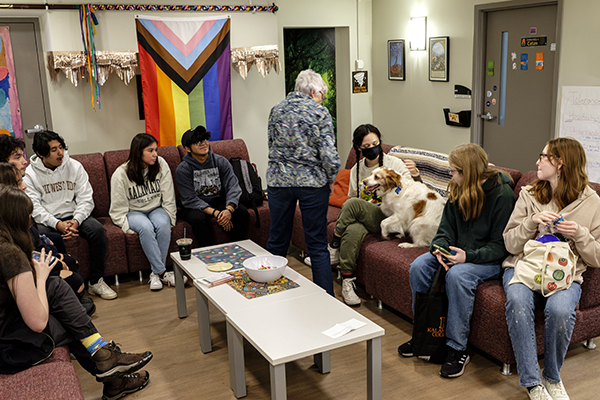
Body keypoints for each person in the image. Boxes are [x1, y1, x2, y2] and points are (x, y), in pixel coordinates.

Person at [0, 185, 152, 399]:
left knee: (57, 290)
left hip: (8, 325)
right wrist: (41, 278)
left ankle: (107, 360)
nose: (31, 222)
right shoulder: (10, 255)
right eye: (28, 216)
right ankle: (110, 368)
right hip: (9, 346)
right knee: (70, 319)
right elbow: (38, 322)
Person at [398, 143, 516, 379]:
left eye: (453, 171)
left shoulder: (503, 196)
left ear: (467, 172)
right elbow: (445, 229)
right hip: (456, 252)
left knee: (458, 275)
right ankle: (424, 334)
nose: (450, 175)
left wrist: (467, 257)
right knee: (419, 267)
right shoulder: (458, 189)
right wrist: (440, 249)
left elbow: (500, 246)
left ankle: (456, 348)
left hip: (487, 259)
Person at [502, 137, 600, 400]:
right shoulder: (529, 194)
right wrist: (530, 223)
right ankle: (533, 383)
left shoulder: (592, 203)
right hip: (523, 267)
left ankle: (552, 377)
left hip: (564, 274)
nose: (537, 162)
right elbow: (510, 244)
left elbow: (597, 258)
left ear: (560, 163)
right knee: (517, 301)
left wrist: (580, 234)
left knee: (559, 310)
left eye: (543, 156)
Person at [305, 124, 421, 305]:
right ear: (358, 148)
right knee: (352, 230)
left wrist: (415, 174)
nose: (372, 148)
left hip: (390, 218)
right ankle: (347, 282)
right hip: (367, 216)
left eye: (375, 143)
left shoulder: (393, 164)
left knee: (352, 205)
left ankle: (333, 246)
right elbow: (354, 197)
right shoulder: (356, 170)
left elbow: (410, 189)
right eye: (366, 147)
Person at [266, 69, 341, 296]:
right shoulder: (320, 113)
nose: (322, 99)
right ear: (312, 91)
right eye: (322, 95)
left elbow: (271, 144)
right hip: (311, 183)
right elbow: (329, 155)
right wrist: (330, 178)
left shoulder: (276, 110)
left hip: (279, 181)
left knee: (277, 240)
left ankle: (270, 295)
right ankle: (325, 302)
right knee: (317, 245)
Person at [23, 130, 117, 300]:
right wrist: (57, 224)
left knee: (97, 231)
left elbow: (86, 198)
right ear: (40, 153)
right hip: (49, 219)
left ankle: (96, 281)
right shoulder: (30, 174)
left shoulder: (74, 166)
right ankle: (64, 288)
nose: (60, 153)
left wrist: (76, 220)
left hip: (75, 215)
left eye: (61, 147)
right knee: (45, 237)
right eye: (53, 150)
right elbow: (34, 208)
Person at [0, 163, 95, 315]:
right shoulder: (10, 222)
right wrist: (56, 263)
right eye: (19, 183)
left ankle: (73, 306)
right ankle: (66, 309)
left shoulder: (15, 210)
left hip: (34, 263)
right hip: (30, 275)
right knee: (74, 281)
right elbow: (27, 255)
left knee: (69, 258)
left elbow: (33, 241)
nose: (24, 186)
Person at [110, 133, 183, 291]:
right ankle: (162, 272)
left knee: (163, 224)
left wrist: (171, 218)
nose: (155, 154)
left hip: (156, 208)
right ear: (138, 152)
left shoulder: (161, 164)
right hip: (134, 211)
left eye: (156, 150)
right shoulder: (121, 174)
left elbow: (169, 195)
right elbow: (117, 209)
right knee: (146, 227)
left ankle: (155, 274)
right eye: (150, 150)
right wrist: (126, 227)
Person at [176, 125, 249, 247]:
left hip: (217, 200)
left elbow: (233, 187)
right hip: (194, 206)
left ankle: (235, 249)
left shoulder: (220, 161)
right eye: (197, 142)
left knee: (242, 212)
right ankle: (209, 253)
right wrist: (216, 213)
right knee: (198, 219)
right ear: (188, 148)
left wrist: (228, 210)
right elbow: (190, 199)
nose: (203, 144)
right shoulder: (183, 169)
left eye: (204, 140)